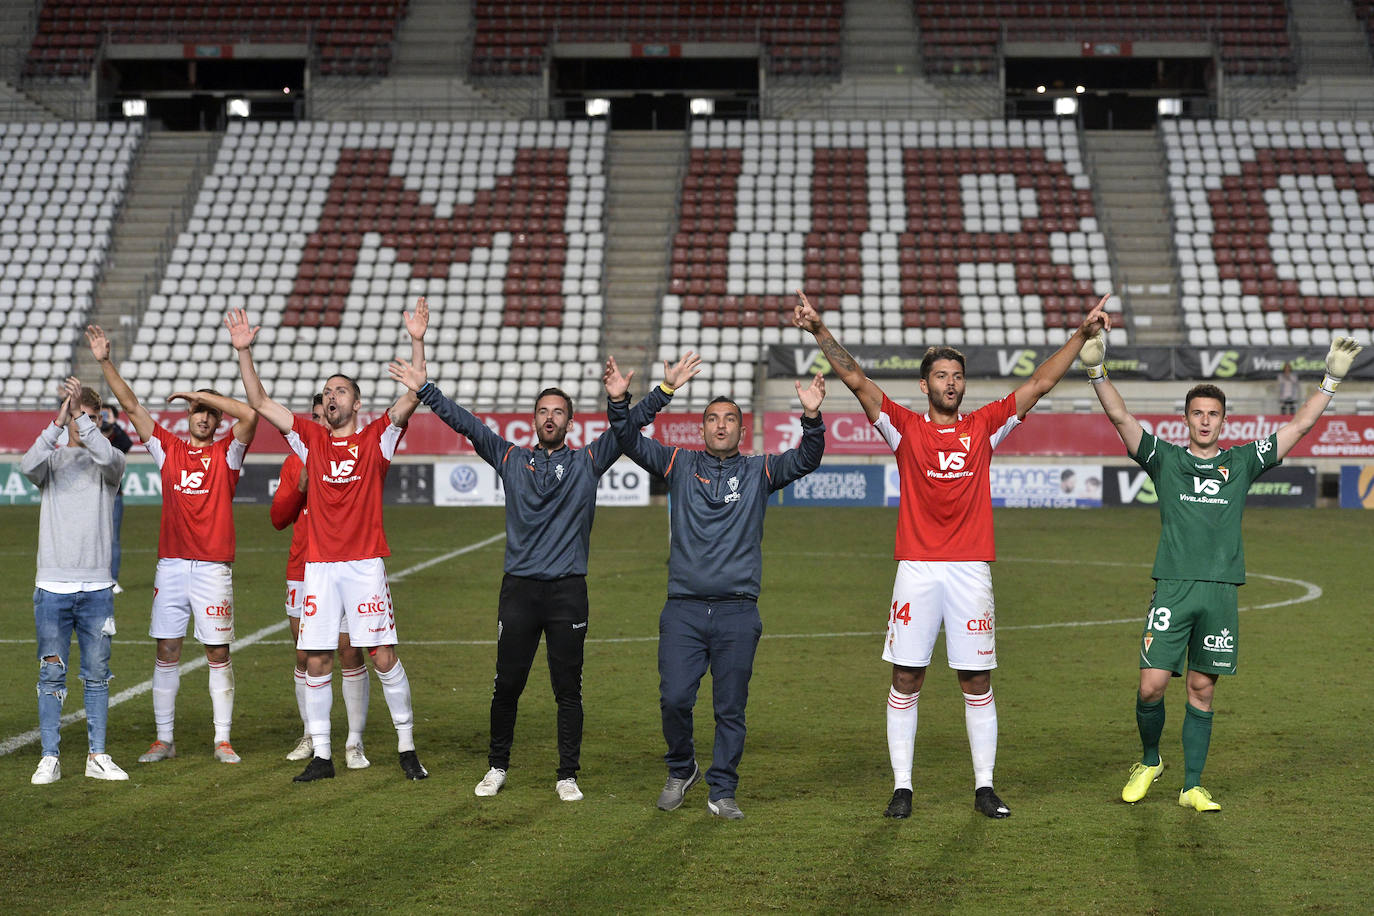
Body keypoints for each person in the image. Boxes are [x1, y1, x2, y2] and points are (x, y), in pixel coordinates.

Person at [792, 288, 1109, 821]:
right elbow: (856, 382)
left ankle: (984, 786)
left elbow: (1040, 383)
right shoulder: (904, 428)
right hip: (916, 569)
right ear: (925, 385)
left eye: (957, 376)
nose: (951, 383)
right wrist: (819, 331)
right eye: (941, 376)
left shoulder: (983, 427)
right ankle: (903, 787)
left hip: (969, 571)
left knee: (977, 681)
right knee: (906, 679)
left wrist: (1081, 334)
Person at [389, 351, 703, 802]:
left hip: (567, 592)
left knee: (567, 688)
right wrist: (425, 389)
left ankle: (567, 774)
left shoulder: (588, 462)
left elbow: (627, 428)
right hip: (518, 590)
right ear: (533, 420)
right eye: (543, 411)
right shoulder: (511, 458)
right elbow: (468, 425)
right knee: (507, 685)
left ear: (570, 422)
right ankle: (497, 766)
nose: (550, 417)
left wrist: (664, 391)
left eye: (558, 411)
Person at [1082, 332, 1364, 812]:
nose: (1206, 420)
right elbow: (1121, 418)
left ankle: (1192, 784)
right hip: (1173, 587)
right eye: (1198, 413)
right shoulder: (1166, 460)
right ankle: (1150, 760)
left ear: (1223, 420)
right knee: (1151, 686)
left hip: (1220, 593)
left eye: (1213, 414)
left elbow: (1297, 427)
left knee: (1201, 688)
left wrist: (1331, 379)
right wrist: (1096, 371)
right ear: (1187, 419)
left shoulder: (1241, 463)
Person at [606, 356, 827, 819]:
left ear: (741, 431)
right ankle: (682, 768)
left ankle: (722, 789)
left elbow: (807, 459)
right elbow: (626, 438)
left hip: (737, 611)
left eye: (729, 420)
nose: (720, 426)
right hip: (683, 609)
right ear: (701, 428)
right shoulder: (678, 463)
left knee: (731, 708)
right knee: (674, 698)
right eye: (712, 419)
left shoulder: (760, 471)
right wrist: (623, 400)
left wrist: (811, 417)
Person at [228, 300, 430, 782]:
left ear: (357, 403)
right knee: (316, 656)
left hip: (364, 565)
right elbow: (260, 403)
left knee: (382, 656)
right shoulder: (309, 440)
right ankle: (322, 755)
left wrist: (417, 341)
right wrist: (244, 353)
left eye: (340, 391)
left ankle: (406, 746)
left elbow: (412, 395)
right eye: (327, 392)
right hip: (318, 568)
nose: (332, 396)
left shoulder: (378, 438)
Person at [87, 325, 258, 765]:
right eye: (197, 410)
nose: (202, 416)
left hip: (213, 568)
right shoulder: (169, 450)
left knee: (217, 652)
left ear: (216, 420)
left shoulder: (227, 454)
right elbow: (130, 405)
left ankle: (222, 740)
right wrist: (105, 360)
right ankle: (164, 739)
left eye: (208, 411)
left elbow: (251, 415)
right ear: (186, 419)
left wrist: (197, 393)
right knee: (166, 650)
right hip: (172, 566)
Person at [22, 378, 129, 784]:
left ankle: (97, 754)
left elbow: (107, 452)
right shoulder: (50, 462)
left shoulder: (110, 463)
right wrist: (57, 421)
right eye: (80, 417)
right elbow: (26, 464)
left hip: (97, 587)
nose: (87, 424)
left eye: (95, 418)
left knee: (98, 675)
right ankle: (50, 756)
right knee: (51, 674)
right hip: (52, 586)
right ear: (67, 419)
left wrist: (83, 420)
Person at [271, 393, 372, 770]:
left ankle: (354, 743)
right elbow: (279, 518)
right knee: (305, 655)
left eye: (323, 414)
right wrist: (299, 484)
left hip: (344, 565)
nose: (321, 421)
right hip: (304, 567)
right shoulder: (296, 461)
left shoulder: (354, 453)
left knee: (349, 652)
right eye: (314, 417)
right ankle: (312, 735)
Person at [98, 405, 133, 593]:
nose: (103, 418)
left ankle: (112, 580)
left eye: (107, 415)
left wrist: (114, 426)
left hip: (114, 495)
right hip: (91, 494)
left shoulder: (118, 439)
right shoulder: (90, 436)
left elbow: (127, 444)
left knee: (112, 539)